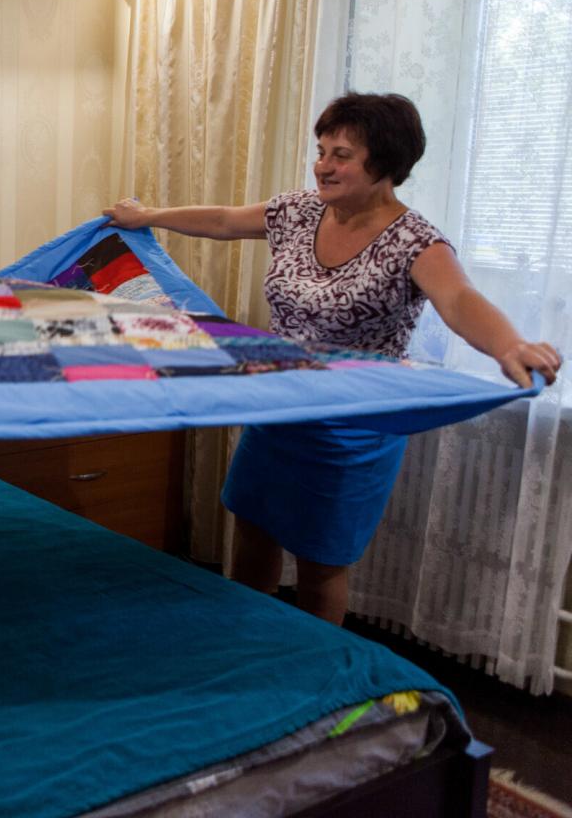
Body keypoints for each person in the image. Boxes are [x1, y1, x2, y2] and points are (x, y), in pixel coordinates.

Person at [103, 92, 561, 625]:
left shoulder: (416, 242)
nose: (323, 164)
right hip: (280, 408)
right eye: (321, 151)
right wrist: (148, 216)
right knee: (253, 532)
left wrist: (509, 345)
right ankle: (248, 643)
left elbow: (459, 300)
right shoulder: (299, 212)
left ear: (385, 160)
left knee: (320, 564)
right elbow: (226, 221)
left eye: (340, 154)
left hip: (353, 427)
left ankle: (312, 676)